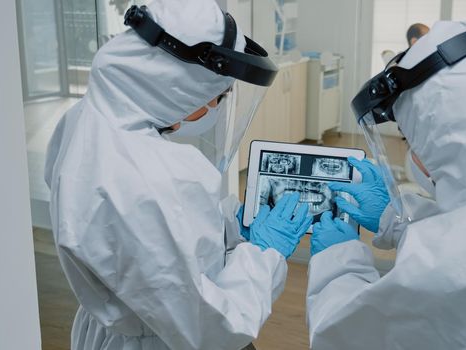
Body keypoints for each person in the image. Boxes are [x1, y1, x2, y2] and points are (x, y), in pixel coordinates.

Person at [44, 1, 312, 349]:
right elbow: (211, 327)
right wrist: (263, 253)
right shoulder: (144, 179)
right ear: (176, 85)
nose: (214, 107)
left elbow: (146, 248)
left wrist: (227, 226)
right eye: (216, 96)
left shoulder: (85, 121)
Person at [307, 21, 466, 349]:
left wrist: (337, 261)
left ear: (445, 142)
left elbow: (343, 336)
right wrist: (396, 219)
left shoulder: (444, 269)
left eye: (409, 137)